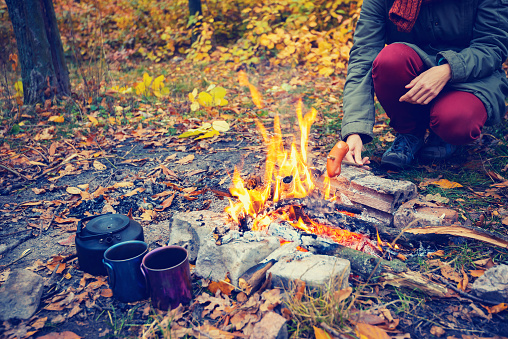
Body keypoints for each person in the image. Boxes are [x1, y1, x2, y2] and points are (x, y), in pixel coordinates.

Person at [340, 0, 508, 169]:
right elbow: (363, 57)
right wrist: (354, 131)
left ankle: (443, 134)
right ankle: (410, 132)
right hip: (414, 67)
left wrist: (449, 69)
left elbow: (492, 46)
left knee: (458, 120)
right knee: (390, 59)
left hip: (471, 76)